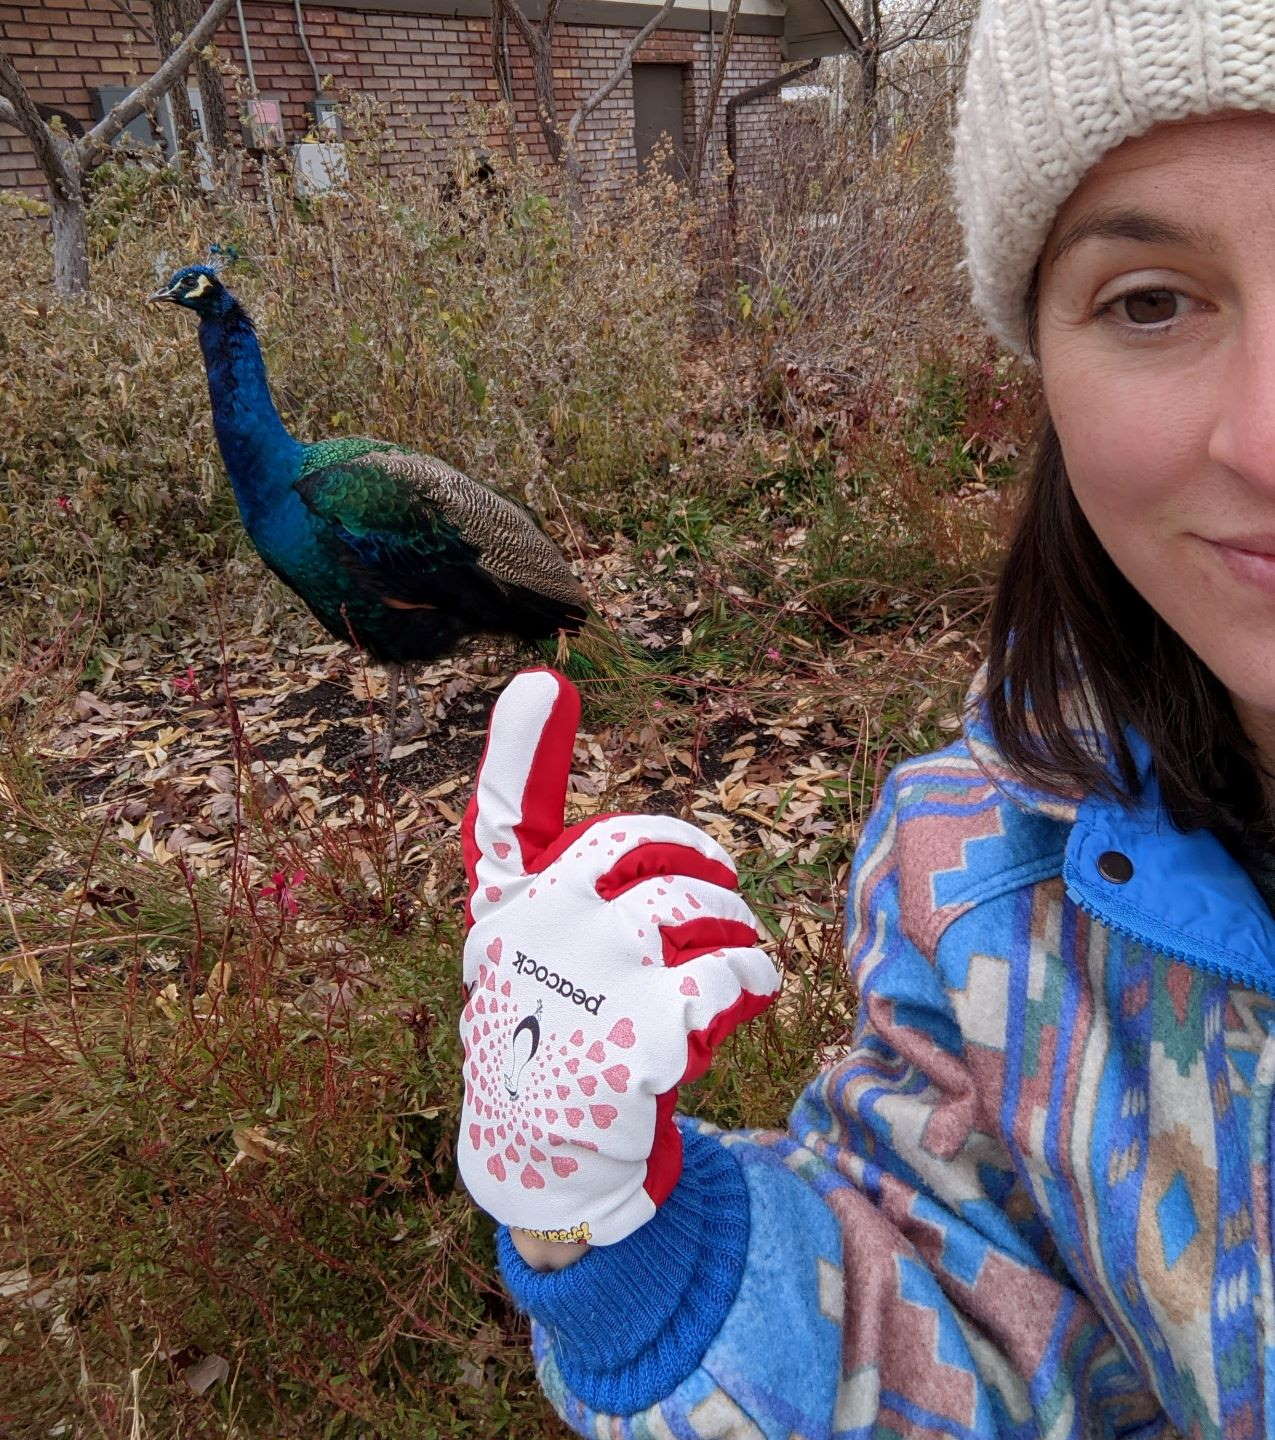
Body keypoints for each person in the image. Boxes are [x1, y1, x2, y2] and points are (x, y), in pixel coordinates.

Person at [455, 1, 1275, 1434]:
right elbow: (974, 1329)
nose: (1267, 440)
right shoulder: (987, 880)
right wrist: (606, 1229)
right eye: (1150, 299)